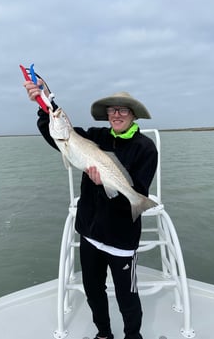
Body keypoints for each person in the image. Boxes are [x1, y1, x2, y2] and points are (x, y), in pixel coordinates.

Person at [24, 80, 158, 339]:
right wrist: (44, 103)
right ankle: (104, 334)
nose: (116, 115)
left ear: (133, 115)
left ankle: (133, 336)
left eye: (123, 110)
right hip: (90, 234)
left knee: (127, 298)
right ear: (107, 115)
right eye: (112, 110)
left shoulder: (145, 148)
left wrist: (110, 187)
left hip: (121, 239)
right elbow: (59, 132)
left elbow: (139, 190)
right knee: (94, 292)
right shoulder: (95, 136)